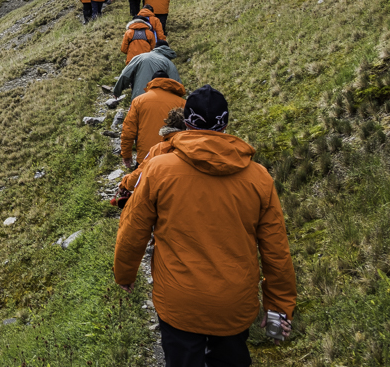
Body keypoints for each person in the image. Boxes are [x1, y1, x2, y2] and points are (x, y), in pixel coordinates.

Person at [114, 86, 296, 366]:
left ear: (186, 122)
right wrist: (279, 306)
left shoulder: (159, 169)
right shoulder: (259, 178)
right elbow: (276, 250)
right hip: (234, 302)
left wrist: (125, 273)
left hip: (179, 300)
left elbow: (133, 228)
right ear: (225, 124)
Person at [118, 74, 186, 167]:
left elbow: (128, 130)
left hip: (146, 157)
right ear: (169, 82)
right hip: (173, 157)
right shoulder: (182, 103)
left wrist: (126, 154)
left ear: (152, 82)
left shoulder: (139, 101)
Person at [118, 106, 185, 196]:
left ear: (168, 125)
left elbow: (141, 173)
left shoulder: (160, 149)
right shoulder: (199, 146)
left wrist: (125, 183)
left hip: (167, 195)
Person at [113, 41, 180, 99]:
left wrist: (117, 92)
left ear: (155, 48)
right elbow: (176, 84)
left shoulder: (140, 57)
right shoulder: (169, 64)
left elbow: (125, 75)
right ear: (168, 50)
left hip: (139, 98)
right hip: (161, 101)